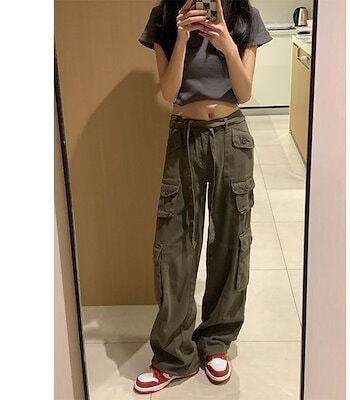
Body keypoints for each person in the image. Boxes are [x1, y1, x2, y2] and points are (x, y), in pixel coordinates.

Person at [134, 0, 272, 393]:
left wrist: (226, 42)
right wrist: (180, 38)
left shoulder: (245, 17)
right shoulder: (163, 18)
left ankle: (216, 342)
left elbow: (244, 91)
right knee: (174, 245)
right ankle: (174, 356)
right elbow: (169, 91)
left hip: (232, 136)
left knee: (231, 242)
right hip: (185, 136)